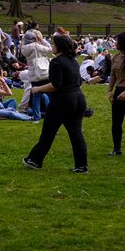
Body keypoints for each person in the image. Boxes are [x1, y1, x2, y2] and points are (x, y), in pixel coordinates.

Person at [23, 34, 89, 173]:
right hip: (78, 98)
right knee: (76, 132)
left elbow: (55, 85)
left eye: (53, 44)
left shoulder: (56, 62)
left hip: (62, 101)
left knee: (48, 132)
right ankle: (81, 165)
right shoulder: (73, 61)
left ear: (59, 47)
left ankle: (35, 160)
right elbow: (79, 82)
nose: (51, 46)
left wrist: (37, 89)